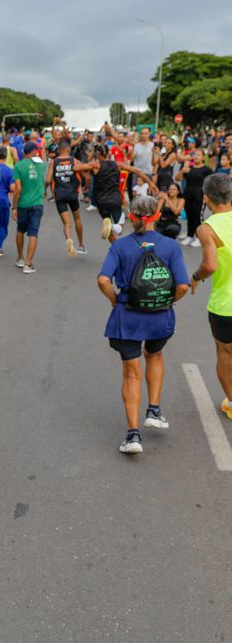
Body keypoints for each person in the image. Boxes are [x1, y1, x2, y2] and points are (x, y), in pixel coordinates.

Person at [97, 195, 189, 454]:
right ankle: (154, 410)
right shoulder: (170, 247)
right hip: (160, 317)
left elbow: (103, 280)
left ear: (132, 216)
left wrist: (116, 300)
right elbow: (183, 285)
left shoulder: (120, 246)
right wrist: (166, 301)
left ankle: (133, 435)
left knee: (131, 373)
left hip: (128, 316)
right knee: (156, 354)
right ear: (157, 216)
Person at [190, 174, 232, 418]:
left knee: (225, 352)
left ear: (206, 198)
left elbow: (210, 266)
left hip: (225, 304)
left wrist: (195, 278)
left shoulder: (207, 229)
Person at [44, 139, 86, 257]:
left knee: (67, 223)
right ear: (68, 149)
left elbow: (48, 180)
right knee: (77, 218)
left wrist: (44, 191)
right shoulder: (74, 160)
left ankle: (69, 238)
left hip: (59, 194)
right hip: (72, 194)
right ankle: (81, 245)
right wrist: (85, 186)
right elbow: (85, 175)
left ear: (58, 150)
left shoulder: (54, 162)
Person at [11, 142, 46, 274]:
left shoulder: (18, 166)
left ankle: (20, 257)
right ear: (32, 152)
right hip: (37, 203)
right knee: (33, 233)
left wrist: (14, 206)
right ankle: (28, 264)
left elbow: (18, 188)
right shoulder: (41, 164)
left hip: (23, 204)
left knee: (20, 230)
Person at [176, 150, 214, 247]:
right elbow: (177, 178)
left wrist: (208, 195)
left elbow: (213, 182)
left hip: (200, 195)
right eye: (194, 155)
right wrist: (182, 171)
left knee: (197, 217)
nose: (196, 157)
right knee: (189, 216)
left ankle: (199, 237)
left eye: (198, 155)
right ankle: (189, 235)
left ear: (203, 157)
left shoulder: (206, 169)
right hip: (188, 194)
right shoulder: (189, 168)